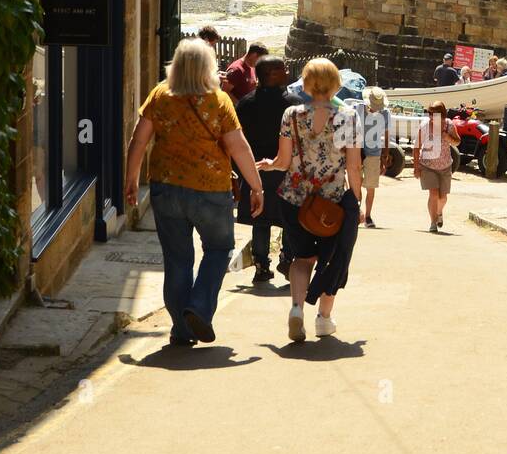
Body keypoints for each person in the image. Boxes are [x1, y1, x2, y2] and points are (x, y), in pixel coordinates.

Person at [124, 37, 263, 346]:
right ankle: (199, 307)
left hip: (166, 188)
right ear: (208, 66)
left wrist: (131, 178)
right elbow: (238, 147)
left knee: (177, 259)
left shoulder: (160, 95)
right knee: (218, 248)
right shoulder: (218, 100)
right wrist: (256, 186)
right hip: (210, 189)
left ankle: (181, 329)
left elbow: (139, 139)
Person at [257, 57, 362, 343]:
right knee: (333, 261)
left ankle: (296, 310)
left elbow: (283, 160)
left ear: (307, 82)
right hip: (333, 203)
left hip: (295, 199)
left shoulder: (291, 115)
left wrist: (269, 164)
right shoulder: (347, 117)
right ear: (335, 83)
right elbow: (353, 166)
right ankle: (323, 320)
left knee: (302, 258)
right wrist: (358, 198)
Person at [235, 55, 294, 283]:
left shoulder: (246, 103)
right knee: (288, 219)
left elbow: (238, 141)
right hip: (284, 169)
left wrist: (240, 174)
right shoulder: (293, 104)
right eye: (283, 68)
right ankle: (287, 258)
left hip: (254, 170)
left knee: (260, 220)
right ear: (273, 74)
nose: (287, 71)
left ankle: (261, 266)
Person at [414, 101, 459, 233]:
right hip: (427, 166)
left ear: (442, 115)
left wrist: (448, 137)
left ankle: (439, 212)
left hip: (445, 166)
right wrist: (416, 167)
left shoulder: (449, 125)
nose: (431, 117)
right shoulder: (424, 126)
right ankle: (433, 222)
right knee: (433, 193)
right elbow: (416, 148)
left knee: (443, 197)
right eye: (430, 113)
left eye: (435, 114)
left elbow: (457, 141)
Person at [355, 86, 392, 229]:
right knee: (356, 183)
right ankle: (357, 212)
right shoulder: (357, 109)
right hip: (357, 151)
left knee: (371, 186)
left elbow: (386, 135)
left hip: (374, 152)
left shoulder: (385, 113)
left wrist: (386, 154)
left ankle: (368, 215)